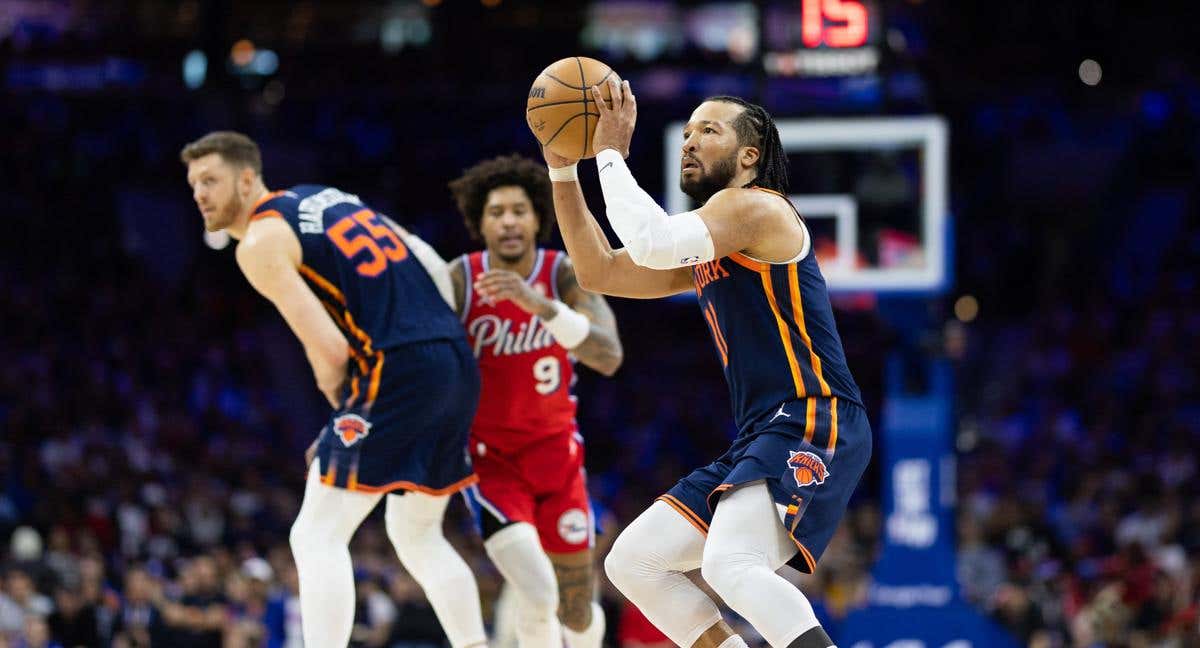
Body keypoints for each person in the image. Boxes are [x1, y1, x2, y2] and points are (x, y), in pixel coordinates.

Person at [538, 81, 872, 648]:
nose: (690, 141)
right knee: (634, 562)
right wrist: (563, 172)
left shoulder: (755, 208)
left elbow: (650, 241)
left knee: (731, 563)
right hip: (761, 431)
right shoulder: (712, 244)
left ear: (750, 156)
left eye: (709, 131)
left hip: (814, 415)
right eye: (687, 132)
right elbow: (599, 272)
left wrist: (612, 151)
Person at [180, 131, 487, 648]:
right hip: (453, 359)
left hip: (397, 368)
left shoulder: (259, 243)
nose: (201, 194)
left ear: (249, 177)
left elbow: (329, 350)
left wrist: (344, 420)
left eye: (211, 180)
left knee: (315, 533)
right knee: (416, 535)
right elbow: (427, 257)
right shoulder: (324, 196)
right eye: (193, 186)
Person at [446, 154, 623, 648]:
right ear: (480, 222)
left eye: (519, 210)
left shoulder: (560, 273)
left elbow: (609, 356)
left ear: (537, 217)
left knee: (575, 607)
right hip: (491, 463)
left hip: (557, 458)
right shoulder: (459, 279)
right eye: (496, 211)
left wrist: (541, 307)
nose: (508, 221)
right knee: (535, 590)